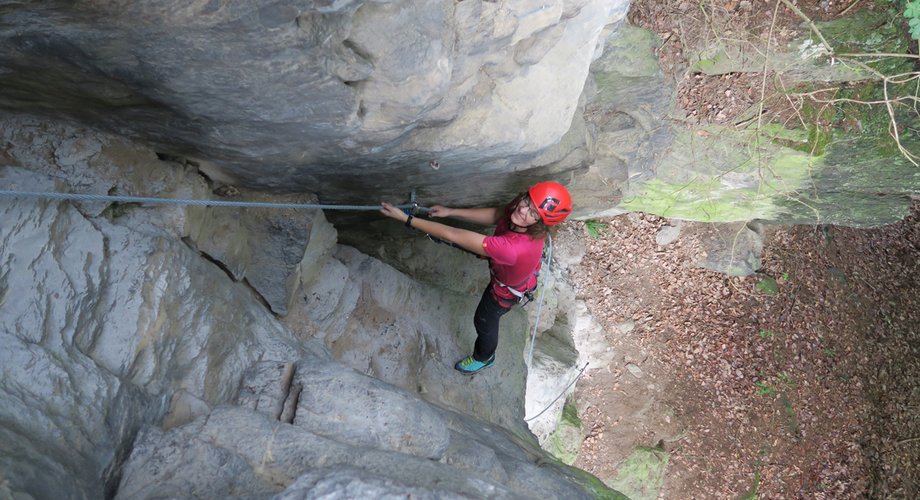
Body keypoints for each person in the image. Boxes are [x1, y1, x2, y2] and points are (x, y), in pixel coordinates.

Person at [380, 182, 572, 374]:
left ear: (539, 223)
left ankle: (484, 357)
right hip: (510, 264)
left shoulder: (513, 248)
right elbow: (497, 215)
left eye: (533, 213)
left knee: (484, 320)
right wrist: (450, 211)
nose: (523, 210)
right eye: (527, 201)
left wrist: (406, 219)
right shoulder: (518, 210)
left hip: (505, 289)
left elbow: (453, 234)